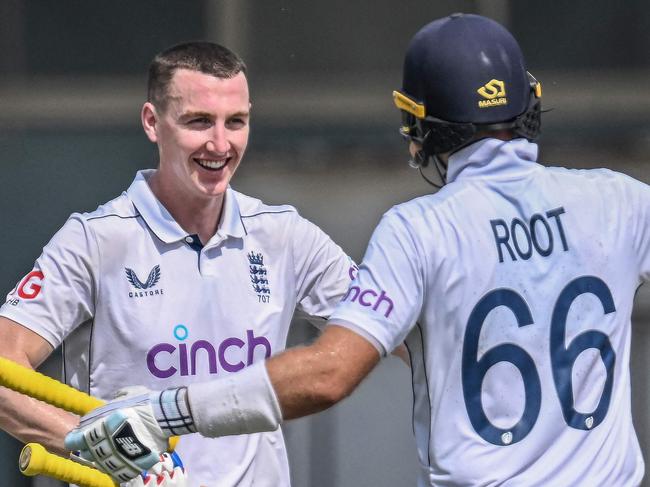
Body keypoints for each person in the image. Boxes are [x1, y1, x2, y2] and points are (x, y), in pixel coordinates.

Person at [64, 12, 650, 486]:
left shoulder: (420, 229)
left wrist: (165, 411)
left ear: (419, 124)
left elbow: (328, 374)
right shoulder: (621, 201)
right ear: (531, 101)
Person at [0, 42, 356, 486]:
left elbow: (398, 331)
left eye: (236, 122)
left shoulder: (285, 235)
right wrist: (99, 445)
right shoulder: (94, 240)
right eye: (199, 121)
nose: (220, 144)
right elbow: (3, 367)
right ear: (152, 122)